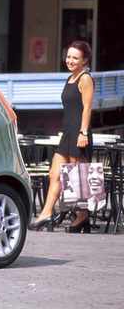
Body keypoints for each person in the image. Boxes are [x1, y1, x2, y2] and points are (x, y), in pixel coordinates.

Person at [29, 40, 94, 233]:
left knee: (78, 179)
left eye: (75, 58)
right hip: (67, 132)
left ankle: (83, 217)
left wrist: (83, 132)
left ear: (84, 60)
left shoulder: (85, 78)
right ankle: (46, 213)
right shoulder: (70, 78)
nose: (71, 61)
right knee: (54, 174)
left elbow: (87, 108)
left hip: (79, 133)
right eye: (69, 57)